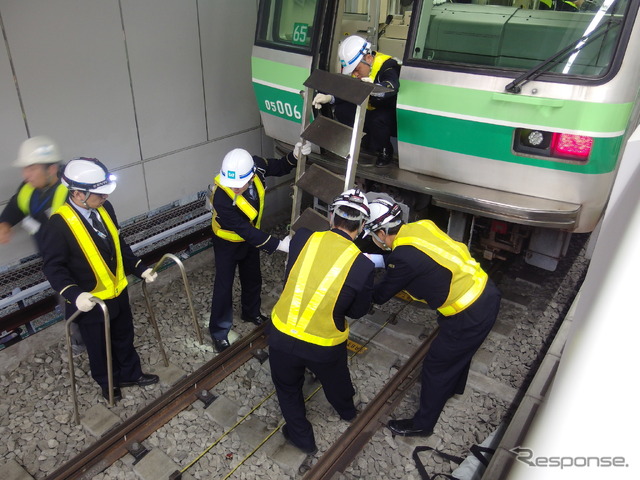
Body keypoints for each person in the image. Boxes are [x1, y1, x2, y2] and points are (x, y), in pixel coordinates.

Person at [363, 198, 501, 436]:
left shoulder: (403, 259)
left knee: (436, 367)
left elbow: (380, 294)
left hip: (467, 314)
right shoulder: (421, 226)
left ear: (383, 232)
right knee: (460, 354)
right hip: (485, 292)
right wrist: (377, 260)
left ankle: (422, 425)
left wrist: (357, 281)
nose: (375, 239)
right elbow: (419, 257)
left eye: (375, 234)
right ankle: (453, 388)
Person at [41, 157, 159, 402]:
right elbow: (54, 267)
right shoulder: (58, 224)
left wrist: (139, 268)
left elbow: (117, 244)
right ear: (77, 193)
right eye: (99, 194)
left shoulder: (105, 208)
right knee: (98, 346)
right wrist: (74, 295)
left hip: (117, 293)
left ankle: (130, 373)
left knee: (124, 335)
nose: (104, 198)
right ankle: (108, 382)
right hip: (91, 302)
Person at [268, 189, 375, 454]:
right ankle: (347, 412)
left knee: (287, 387)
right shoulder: (362, 266)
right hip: (323, 343)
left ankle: (303, 439)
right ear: (362, 227)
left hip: (281, 333)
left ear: (331, 217)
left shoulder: (304, 237)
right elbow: (358, 311)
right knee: (336, 379)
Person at [209, 143, 311, 353]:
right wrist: (279, 244)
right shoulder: (221, 197)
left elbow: (279, 166)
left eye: (240, 184)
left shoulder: (257, 166)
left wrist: (294, 155)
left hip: (250, 239)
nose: (235, 188)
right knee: (223, 285)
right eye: (232, 184)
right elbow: (243, 229)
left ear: (252, 173)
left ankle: (251, 311)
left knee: (253, 276)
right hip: (227, 243)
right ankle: (219, 331)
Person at [312, 35, 400, 167]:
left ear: (368, 58)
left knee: (378, 120)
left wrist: (376, 88)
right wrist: (329, 97)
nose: (355, 75)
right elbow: (348, 90)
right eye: (352, 72)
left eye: (357, 70)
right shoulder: (361, 71)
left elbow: (392, 86)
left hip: (386, 110)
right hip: (368, 107)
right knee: (342, 110)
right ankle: (367, 140)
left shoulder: (389, 66)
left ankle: (385, 149)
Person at [0, 136, 67, 252]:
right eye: (24, 169)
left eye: (32, 169)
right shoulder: (28, 188)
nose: (25, 175)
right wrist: (5, 223)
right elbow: (15, 206)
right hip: (50, 258)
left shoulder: (74, 191)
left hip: (76, 261)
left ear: (51, 169)